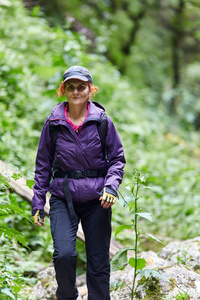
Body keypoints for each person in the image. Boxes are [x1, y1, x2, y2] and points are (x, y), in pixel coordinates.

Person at [32, 65, 126, 300]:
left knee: (98, 261)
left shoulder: (103, 121)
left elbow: (117, 159)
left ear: (90, 90)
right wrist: (37, 202)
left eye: (81, 87)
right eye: (71, 87)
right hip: (64, 197)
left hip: (98, 200)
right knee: (63, 254)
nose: (76, 91)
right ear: (63, 90)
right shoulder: (53, 123)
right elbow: (43, 165)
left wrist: (111, 186)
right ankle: (67, 296)